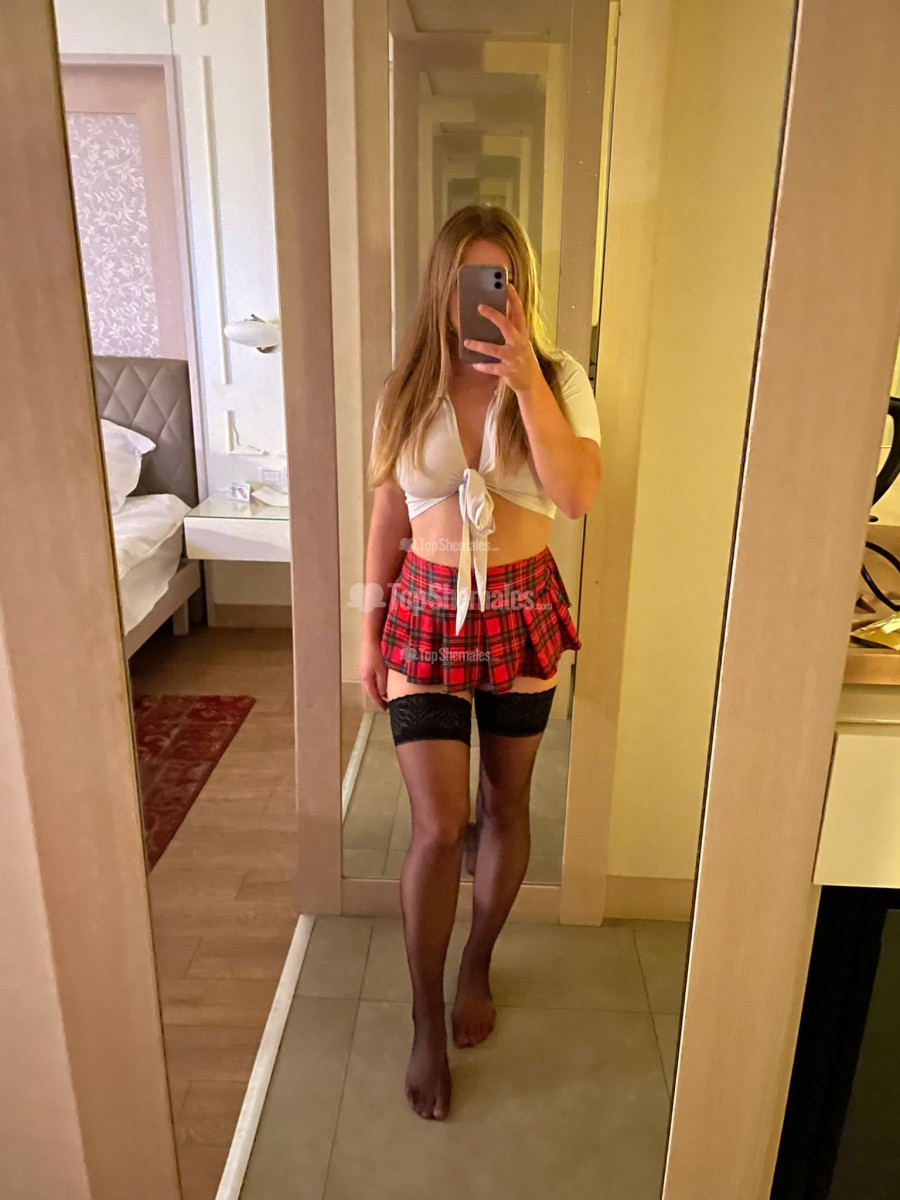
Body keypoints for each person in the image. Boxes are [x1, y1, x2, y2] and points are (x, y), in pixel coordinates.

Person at [361, 204, 602, 1121]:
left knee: (506, 806)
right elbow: (388, 515)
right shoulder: (407, 387)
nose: (487, 299)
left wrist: (527, 381)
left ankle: (477, 962)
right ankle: (425, 1018)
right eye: (473, 279)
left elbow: (575, 494)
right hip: (423, 611)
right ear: (444, 284)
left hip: (522, 611)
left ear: (522, 288)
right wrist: (368, 626)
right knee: (437, 827)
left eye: (502, 281)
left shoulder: (561, 378)